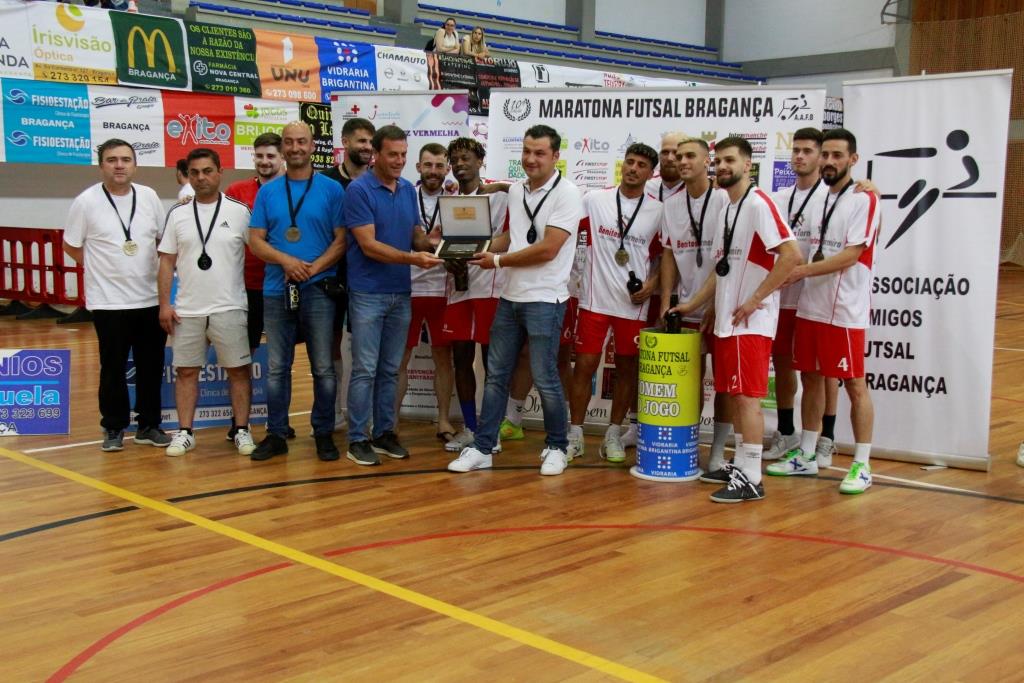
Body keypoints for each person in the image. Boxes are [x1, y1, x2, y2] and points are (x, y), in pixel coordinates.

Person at [669, 136, 800, 503]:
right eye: (719, 162)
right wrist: (695, 303)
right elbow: (720, 269)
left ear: (747, 165)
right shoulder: (729, 207)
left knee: (747, 400)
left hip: (749, 324)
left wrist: (756, 299)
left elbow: (791, 256)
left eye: (730, 161)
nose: (723, 167)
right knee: (736, 394)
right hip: (727, 321)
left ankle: (753, 478)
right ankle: (741, 463)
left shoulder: (759, 204)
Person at [447, 124, 583, 476]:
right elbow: (513, 236)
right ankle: (483, 446)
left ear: (555, 156)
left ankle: (557, 445)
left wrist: (497, 261)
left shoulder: (568, 193)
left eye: (539, 153)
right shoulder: (519, 190)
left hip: (546, 300)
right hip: (510, 297)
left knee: (545, 375)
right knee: (496, 377)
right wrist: (473, 248)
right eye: (526, 151)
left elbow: (548, 247)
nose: (531, 159)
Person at [768, 128, 880, 495]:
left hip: (843, 309)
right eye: (826, 155)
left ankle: (862, 463)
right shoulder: (816, 198)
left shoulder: (864, 199)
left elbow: (852, 254)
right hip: (810, 307)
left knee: (854, 385)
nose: (829, 161)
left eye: (837, 155)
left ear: (853, 159)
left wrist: (801, 272)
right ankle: (807, 453)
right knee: (811, 379)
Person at [343, 125, 443, 467]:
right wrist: (413, 258)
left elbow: (416, 235)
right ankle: (357, 438)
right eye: (393, 154)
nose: (399, 161)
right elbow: (369, 246)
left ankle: (384, 432)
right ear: (376, 154)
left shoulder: (406, 191)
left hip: (401, 292)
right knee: (365, 369)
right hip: (368, 293)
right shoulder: (359, 190)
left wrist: (437, 243)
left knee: (389, 369)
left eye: (403, 155)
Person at [62, 138, 171, 451]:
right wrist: (97, 266)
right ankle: (113, 427)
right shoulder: (86, 202)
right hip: (108, 302)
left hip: (150, 299)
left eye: (125, 159)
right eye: (112, 160)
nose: (119, 165)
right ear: (101, 165)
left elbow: (162, 241)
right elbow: (71, 244)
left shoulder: (149, 197)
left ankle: (149, 425)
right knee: (113, 368)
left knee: (151, 366)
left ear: (135, 164)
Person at [248, 122, 347, 462]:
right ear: (284, 148)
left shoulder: (332, 190)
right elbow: (256, 240)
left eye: (301, 141)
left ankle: (323, 432)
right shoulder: (269, 192)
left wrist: (312, 268)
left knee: (322, 366)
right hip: (277, 289)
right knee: (277, 367)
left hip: (319, 288)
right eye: (288, 142)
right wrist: (288, 262)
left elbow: (342, 239)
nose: (295, 148)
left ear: (312, 145)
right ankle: (276, 434)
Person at [568, 143, 662, 463]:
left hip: (632, 305)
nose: (633, 168)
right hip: (594, 300)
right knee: (583, 368)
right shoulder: (595, 200)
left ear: (651, 173)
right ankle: (575, 433)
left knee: (627, 369)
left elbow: (666, 257)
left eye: (641, 165)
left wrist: (652, 284)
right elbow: (566, 229)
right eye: (630, 162)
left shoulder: (658, 210)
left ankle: (613, 433)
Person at [158, 148, 255, 457]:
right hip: (187, 309)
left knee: (238, 370)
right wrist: (164, 304)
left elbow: (261, 250)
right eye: (195, 172)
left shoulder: (240, 212)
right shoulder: (177, 213)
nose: (201, 178)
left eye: (207, 171)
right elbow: (166, 262)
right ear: (188, 176)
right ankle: (185, 432)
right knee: (186, 372)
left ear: (219, 172)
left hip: (229, 306)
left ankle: (241, 429)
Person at [659, 137, 732, 474]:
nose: (682, 160)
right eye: (677, 155)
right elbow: (670, 255)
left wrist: (715, 302)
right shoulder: (671, 204)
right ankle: (688, 447)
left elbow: (728, 259)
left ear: (708, 161)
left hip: (724, 306)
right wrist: (666, 303)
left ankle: (717, 452)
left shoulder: (726, 200)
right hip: (687, 307)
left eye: (690, 156)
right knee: (689, 381)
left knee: (725, 384)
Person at [441, 137, 509, 453]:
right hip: (459, 287)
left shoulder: (500, 195)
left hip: (492, 288)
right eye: (454, 159)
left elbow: (529, 196)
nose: (459, 164)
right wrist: (448, 258)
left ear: (480, 161)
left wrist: (501, 188)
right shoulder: (449, 199)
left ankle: (491, 431)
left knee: (492, 362)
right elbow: (447, 241)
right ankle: (470, 427)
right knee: (461, 359)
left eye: (466, 158)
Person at [396, 143, 457, 443]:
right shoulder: (405, 196)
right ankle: (390, 422)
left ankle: (443, 419)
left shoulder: (456, 199)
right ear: (418, 167)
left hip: (442, 289)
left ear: (447, 169)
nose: (433, 171)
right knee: (399, 358)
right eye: (428, 165)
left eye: (439, 165)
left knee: (442, 358)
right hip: (407, 287)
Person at [322, 117, 376, 432]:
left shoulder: (377, 182)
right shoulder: (326, 182)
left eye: (371, 142)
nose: (367, 147)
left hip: (367, 276)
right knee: (330, 345)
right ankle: (333, 414)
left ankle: (362, 416)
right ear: (345, 142)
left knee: (364, 351)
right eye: (361, 141)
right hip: (331, 276)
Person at [645, 132, 687, 202]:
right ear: (659, 155)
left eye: (676, 152)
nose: (669, 158)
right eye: (665, 152)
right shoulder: (645, 184)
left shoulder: (696, 189)